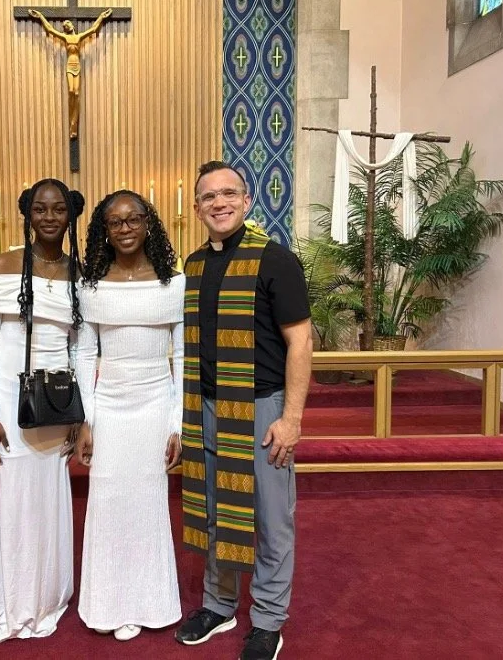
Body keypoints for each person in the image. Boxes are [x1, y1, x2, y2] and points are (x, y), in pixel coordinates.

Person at [174, 162, 313, 660]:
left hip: (261, 409)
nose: (220, 203)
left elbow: (301, 342)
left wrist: (291, 419)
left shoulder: (275, 260)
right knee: (216, 511)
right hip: (206, 407)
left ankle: (269, 621)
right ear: (197, 209)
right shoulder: (193, 266)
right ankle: (219, 604)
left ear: (247, 200)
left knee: (271, 520)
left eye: (229, 193)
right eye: (209, 197)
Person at [0, 178, 89, 642]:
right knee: (18, 498)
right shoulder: (2, 265)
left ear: (71, 215)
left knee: (50, 498)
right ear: (27, 214)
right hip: (11, 399)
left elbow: (79, 347)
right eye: (40, 209)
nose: (49, 217)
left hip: (57, 401)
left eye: (58, 209)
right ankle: (17, 599)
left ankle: (48, 593)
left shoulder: (80, 273)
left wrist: (79, 413)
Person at [72, 190, 184, 641]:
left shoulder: (173, 283)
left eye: (133, 219)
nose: (125, 229)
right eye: (115, 222)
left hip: (155, 402)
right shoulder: (91, 286)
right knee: (109, 499)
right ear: (104, 229)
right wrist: (87, 419)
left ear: (147, 222)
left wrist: (177, 423)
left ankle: (148, 602)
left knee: (147, 500)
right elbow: (84, 354)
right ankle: (108, 602)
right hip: (110, 405)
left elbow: (183, 356)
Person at [27, 7, 113, 138]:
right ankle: (71, 123)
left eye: (67, 23)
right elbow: (50, 30)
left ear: (71, 25)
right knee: (71, 91)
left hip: (77, 66)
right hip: (69, 66)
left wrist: (101, 16)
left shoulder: (79, 37)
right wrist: (40, 17)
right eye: (64, 26)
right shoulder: (65, 38)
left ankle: (74, 124)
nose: (65, 26)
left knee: (77, 93)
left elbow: (93, 29)